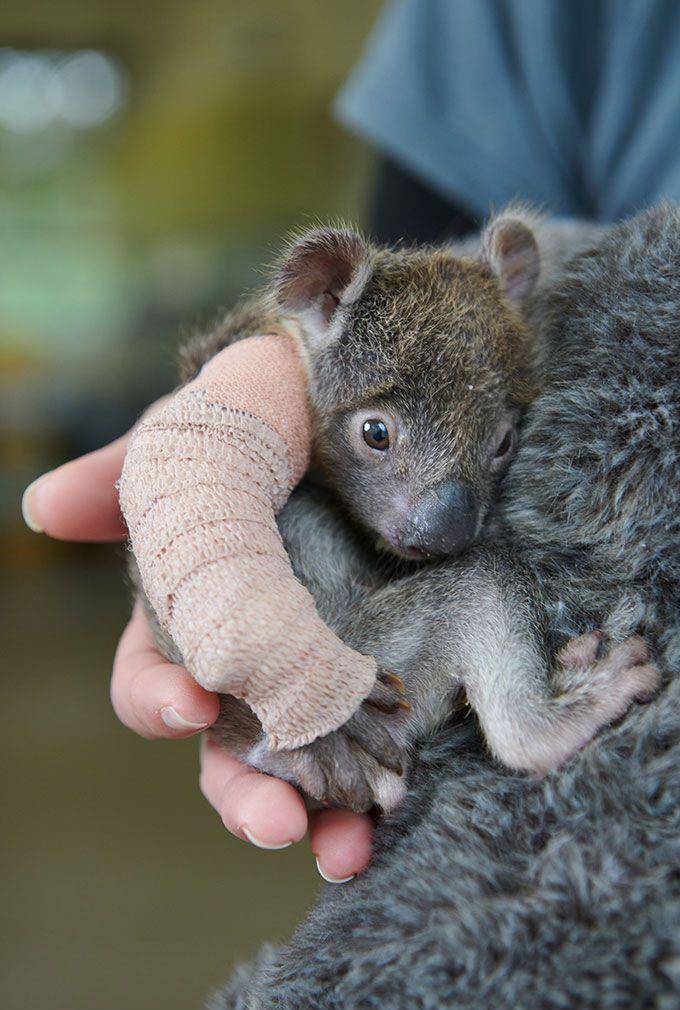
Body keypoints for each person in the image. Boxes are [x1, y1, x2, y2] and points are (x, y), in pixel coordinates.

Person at [21, 0, 680, 882]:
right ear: (316, 294)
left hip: (342, 682)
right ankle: (536, 722)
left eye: (495, 447)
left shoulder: (458, 335)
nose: (444, 513)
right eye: (379, 437)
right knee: (479, 578)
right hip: (332, 676)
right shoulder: (294, 359)